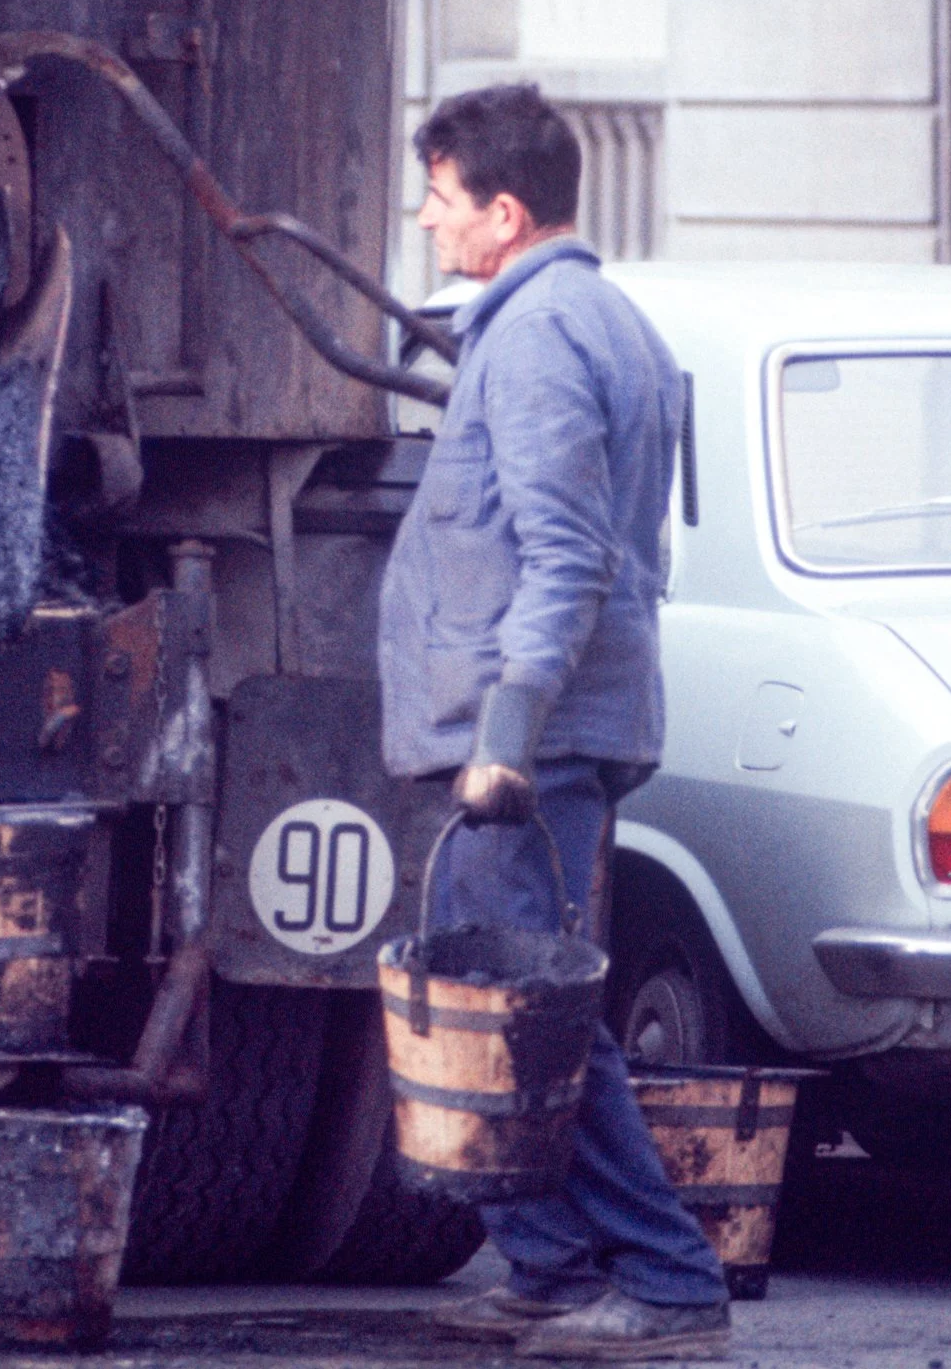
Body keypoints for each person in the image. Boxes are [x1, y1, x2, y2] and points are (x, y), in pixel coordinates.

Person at [379, 85, 731, 1361]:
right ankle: (548, 1259)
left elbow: (568, 557)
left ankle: (669, 1284)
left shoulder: (533, 340)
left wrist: (506, 740)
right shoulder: (595, 318)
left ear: (505, 211)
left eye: (439, 197)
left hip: (536, 746)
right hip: (564, 729)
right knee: (502, 1000)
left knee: (532, 1017)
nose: (425, 221)